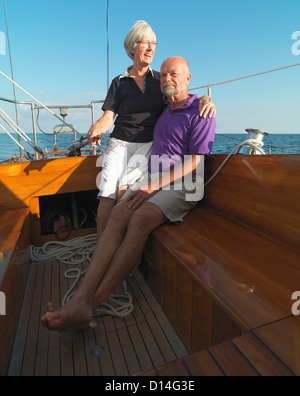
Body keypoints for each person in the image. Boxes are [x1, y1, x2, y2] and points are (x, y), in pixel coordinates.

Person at [41, 56, 216, 332]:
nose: (168, 78)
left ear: (188, 79)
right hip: (155, 177)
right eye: (164, 75)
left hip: (186, 182)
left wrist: (150, 187)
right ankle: (80, 298)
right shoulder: (165, 107)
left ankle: (90, 304)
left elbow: (194, 162)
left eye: (174, 74)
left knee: (140, 217)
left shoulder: (201, 111)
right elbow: (118, 116)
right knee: (119, 211)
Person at [87, 21, 216, 239]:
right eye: (144, 42)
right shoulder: (118, 82)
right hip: (120, 142)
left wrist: (206, 98)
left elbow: (182, 95)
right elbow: (108, 117)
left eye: (153, 43)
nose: (150, 48)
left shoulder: (160, 79)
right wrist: (96, 128)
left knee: (123, 194)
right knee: (107, 195)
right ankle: (102, 245)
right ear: (132, 47)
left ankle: (118, 242)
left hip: (147, 145)